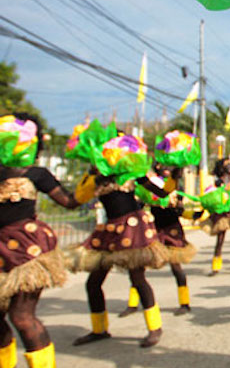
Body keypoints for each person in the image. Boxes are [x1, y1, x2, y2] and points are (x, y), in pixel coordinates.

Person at [0, 113, 80, 368]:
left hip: (27, 248)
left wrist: (92, 181)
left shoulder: (37, 174)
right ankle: (5, 367)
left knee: (22, 316)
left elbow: (69, 202)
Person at [69, 137, 169, 348]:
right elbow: (76, 198)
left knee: (137, 279)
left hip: (132, 228)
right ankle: (99, 329)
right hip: (109, 231)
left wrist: (169, 182)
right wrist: (90, 171)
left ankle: (155, 328)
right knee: (93, 283)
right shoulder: (98, 179)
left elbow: (160, 192)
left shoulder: (132, 174)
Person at [121, 166, 196, 317]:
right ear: (157, 166)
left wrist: (192, 214)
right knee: (139, 265)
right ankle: (133, 303)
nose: (166, 168)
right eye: (163, 164)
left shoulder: (175, 187)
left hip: (171, 228)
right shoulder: (149, 184)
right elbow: (140, 204)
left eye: (170, 165)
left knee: (176, 267)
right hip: (154, 228)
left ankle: (185, 303)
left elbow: (179, 209)